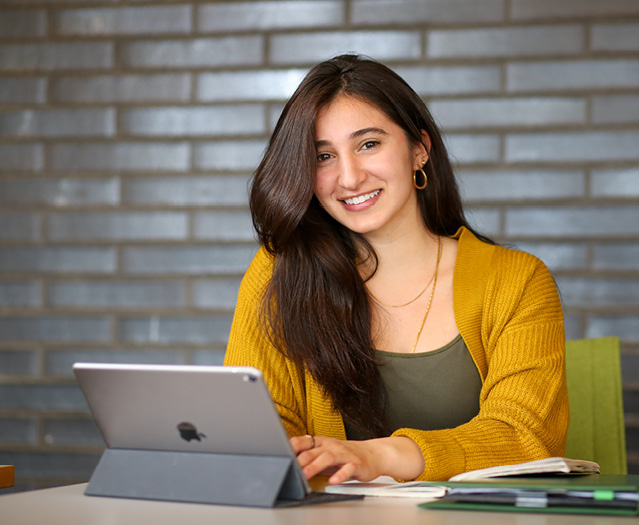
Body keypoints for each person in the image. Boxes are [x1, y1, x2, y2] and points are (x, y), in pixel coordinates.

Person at [224, 54, 568, 485]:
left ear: (419, 149)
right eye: (323, 156)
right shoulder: (280, 271)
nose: (348, 178)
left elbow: (526, 436)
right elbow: (259, 430)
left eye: (369, 144)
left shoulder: (516, 280)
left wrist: (381, 456)